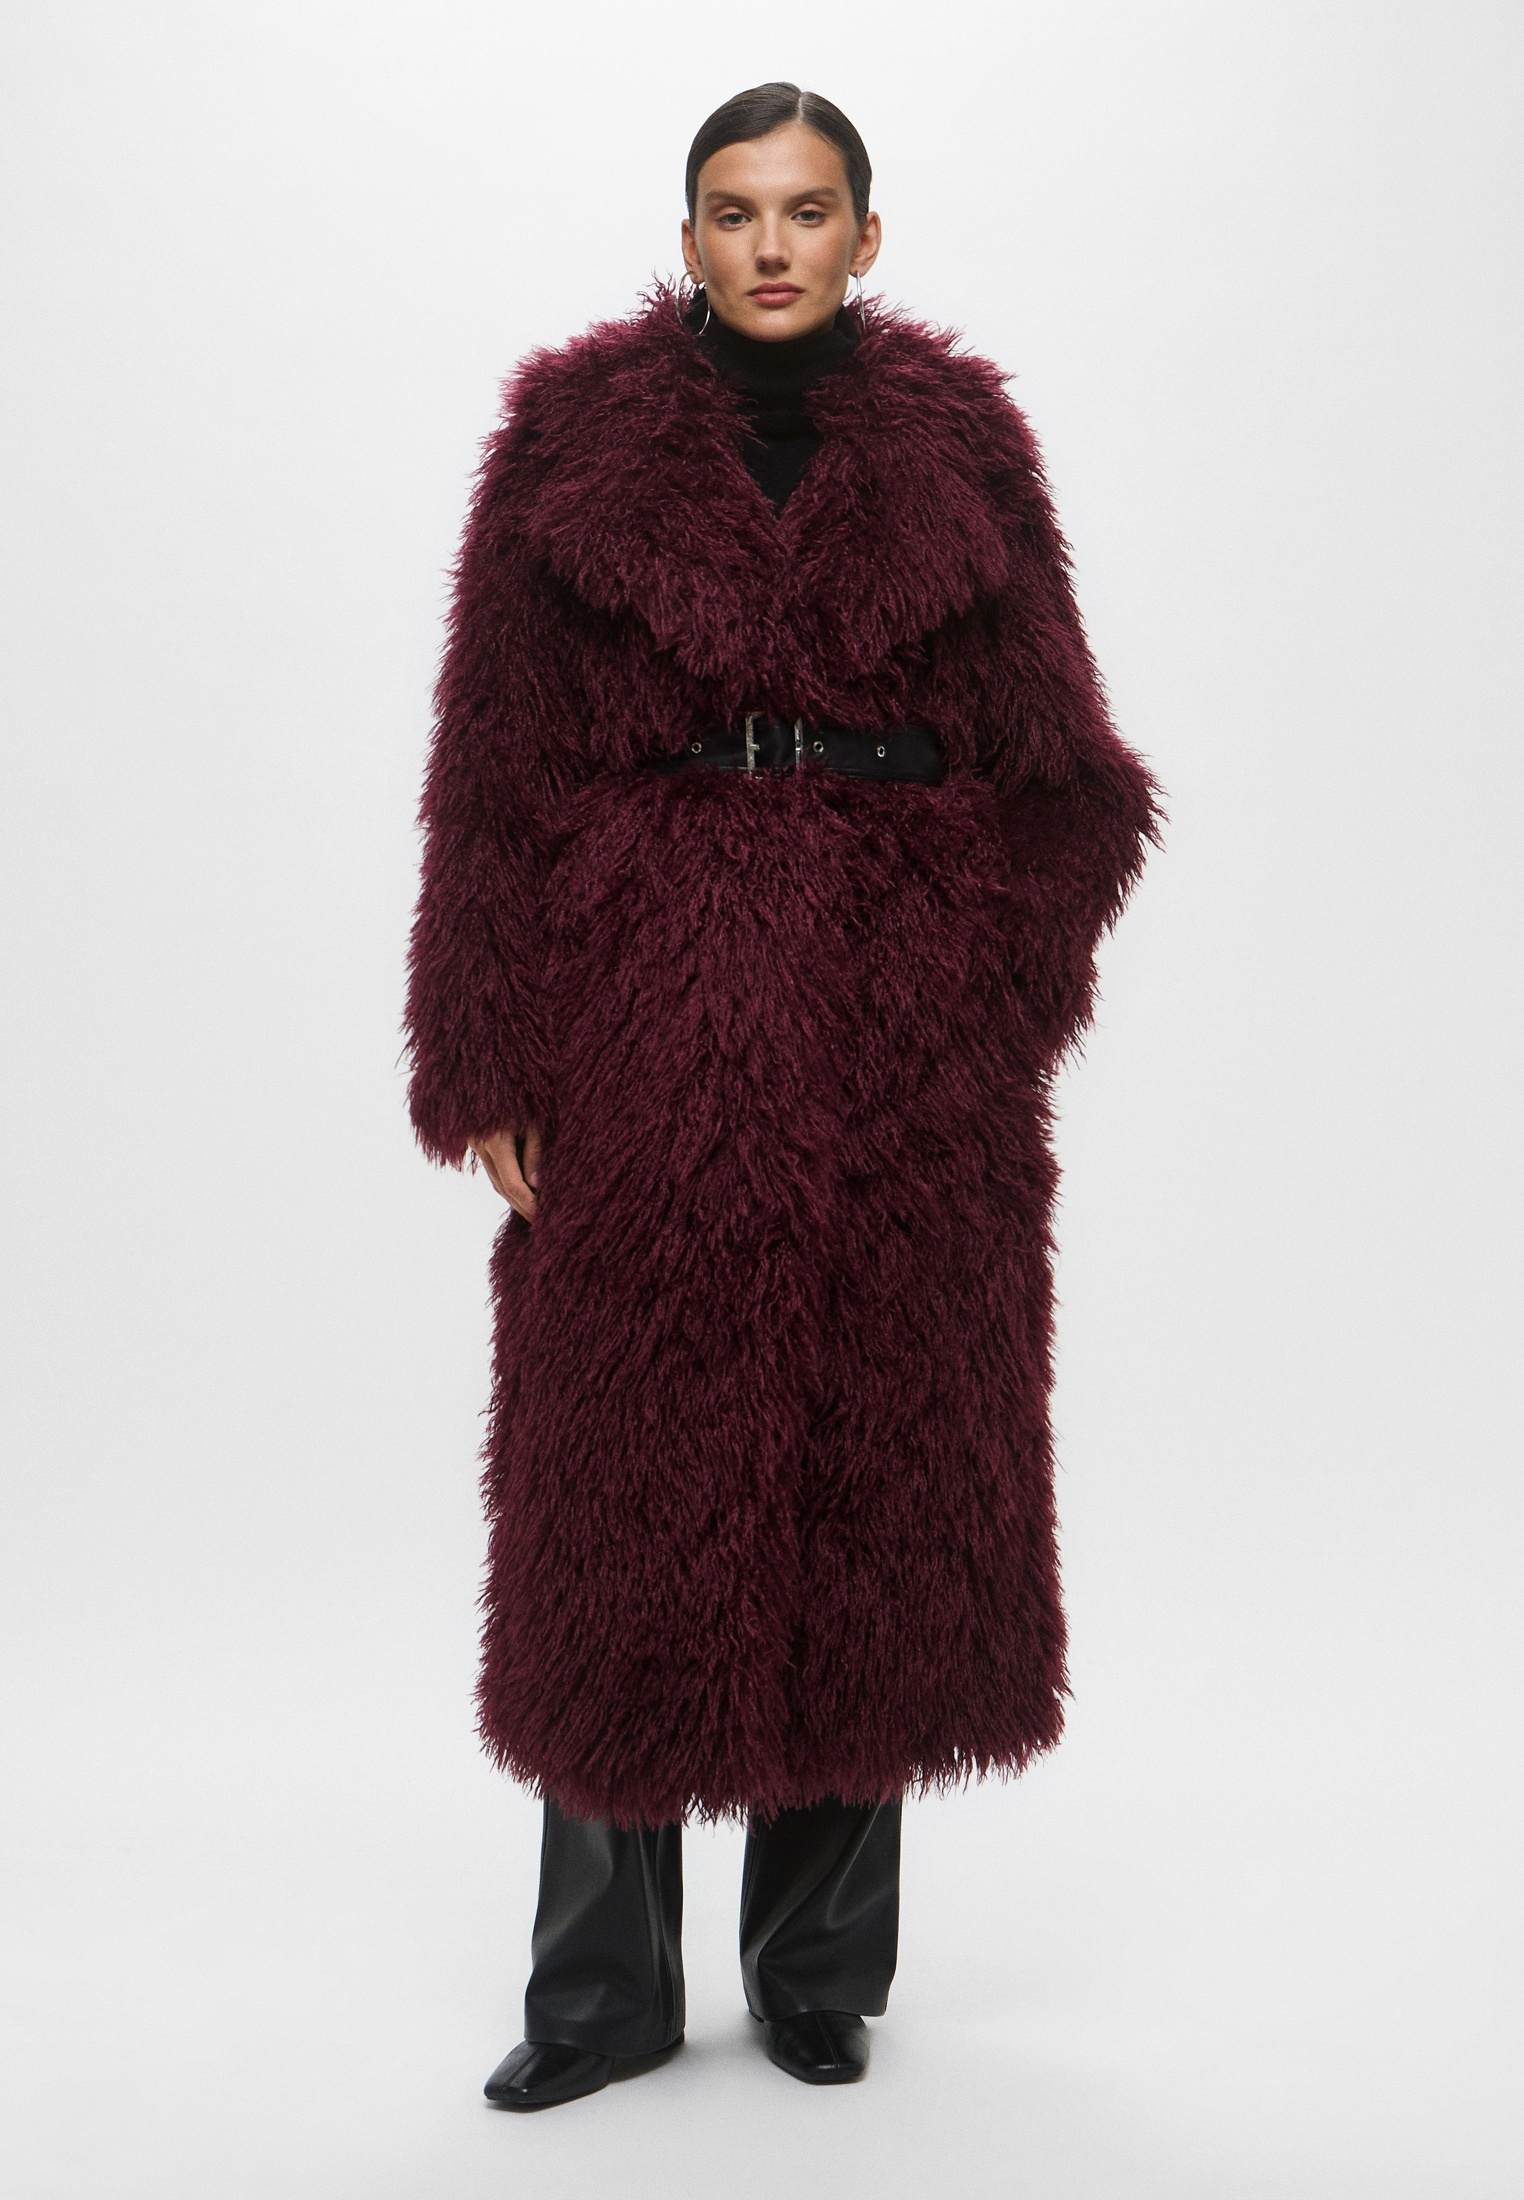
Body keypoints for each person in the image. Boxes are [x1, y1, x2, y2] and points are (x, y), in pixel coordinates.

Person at [401, 81, 1167, 2111]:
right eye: (734, 210)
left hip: (901, 1044)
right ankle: (602, 1995)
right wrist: (485, 1046)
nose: (770, 244)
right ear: (688, 237)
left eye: (807, 210)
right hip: (643, 1020)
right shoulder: (570, 440)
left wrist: (983, 993)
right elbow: (491, 769)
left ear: (865, 236)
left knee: (878, 1483)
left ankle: (819, 1971)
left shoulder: (963, 443)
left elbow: (1067, 770)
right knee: (618, 1487)